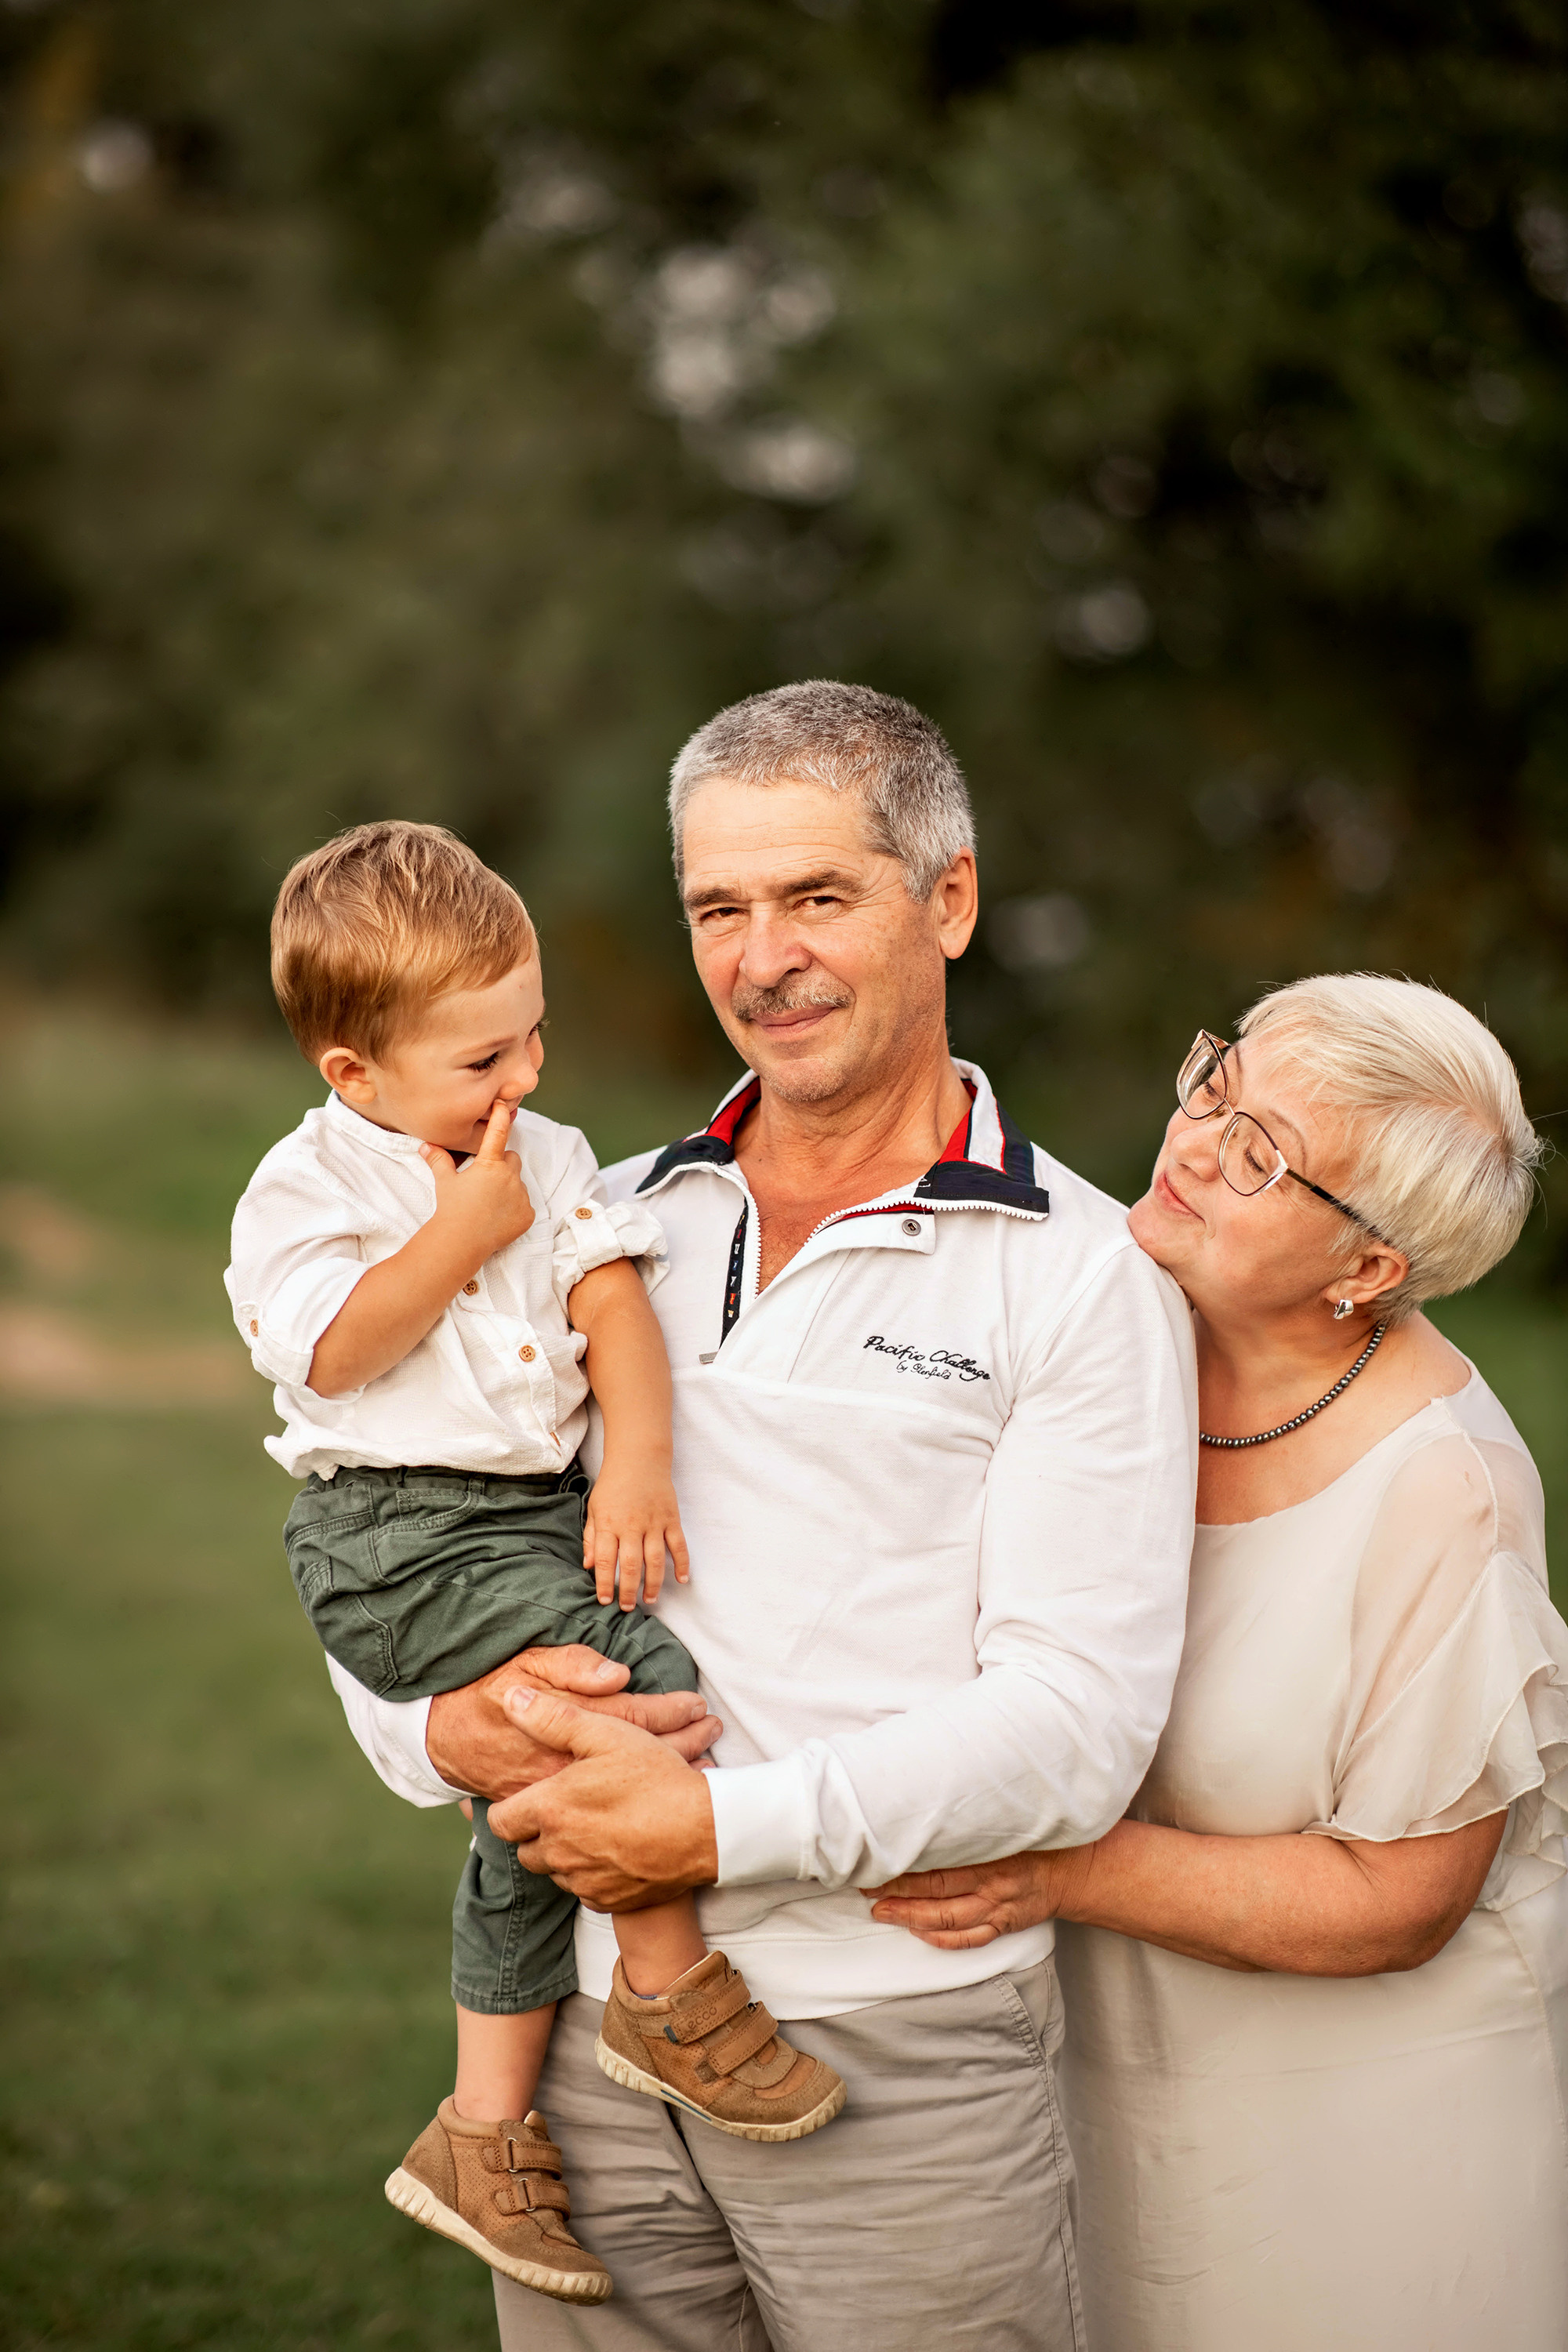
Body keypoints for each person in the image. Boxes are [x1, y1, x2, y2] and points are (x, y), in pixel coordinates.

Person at [328, 681, 1200, 2352]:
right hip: (568, 2037)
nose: (761, 957)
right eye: (718, 909)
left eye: (815, 897)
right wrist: (440, 1727)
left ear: (945, 899)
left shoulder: (1079, 1275)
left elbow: (1075, 1721)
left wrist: (718, 1837)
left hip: (897, 2052)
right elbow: (398, 1525)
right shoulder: (604, 1220)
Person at [870, 972, 1568, 2352]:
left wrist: (1060, 1867)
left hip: (1373, 2150)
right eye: (1217, 1084)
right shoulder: (1105, 1326)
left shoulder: (1446, 1497)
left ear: (1368, 1270)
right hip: (1105, 2084)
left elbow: (1402, 1901)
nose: (1193, 1142)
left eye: (1264, 1155)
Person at [227, 821, 844, 2311]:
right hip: (393, 1534)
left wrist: (634, 1462)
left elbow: (612, 1303)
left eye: (533, 1037)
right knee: (636, 1691)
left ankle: (483, 2127)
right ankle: (665, 1992)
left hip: (523, 1518)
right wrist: (458, 1233)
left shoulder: (545, 1154)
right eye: (483, 1062)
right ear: (352, 1075)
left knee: (535, 1797)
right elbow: (332, 1351)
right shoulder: (307, 1190)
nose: (525, 1082)